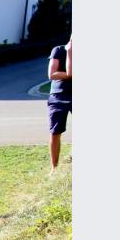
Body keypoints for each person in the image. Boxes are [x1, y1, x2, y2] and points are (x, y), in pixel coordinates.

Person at [47, 36, 72, 173]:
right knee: (55, 133)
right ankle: (54, 168)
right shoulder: (58, 50)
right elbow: (52, 74)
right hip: (58, 96)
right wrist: (70, 74)